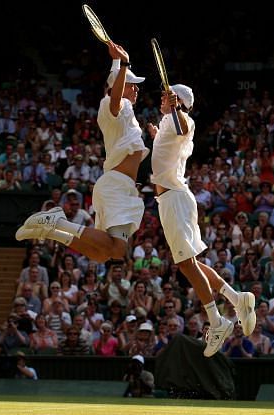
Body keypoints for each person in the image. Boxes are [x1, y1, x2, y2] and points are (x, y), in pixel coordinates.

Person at [145, 84, 255, 357]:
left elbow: (182, 125)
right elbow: (171, 140)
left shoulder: (182, 120)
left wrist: (176, 109)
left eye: (167, 96)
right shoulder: (168, 124)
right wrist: (157, 135)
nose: (162, 98)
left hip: (175, 200)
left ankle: (217, 321)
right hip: (173, 199)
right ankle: (236, 298)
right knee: (189, 263)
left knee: (185, 264)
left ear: (178, 102)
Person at [16, 42, 149, 263]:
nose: (135, 88)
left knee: (102, 254)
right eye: (131, 84)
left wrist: (116, 61)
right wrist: (124, 64)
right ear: (117, 86)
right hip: (116, 186)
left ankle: (51, 231)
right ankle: (57, 222)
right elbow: (114, 93)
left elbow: (114, 82)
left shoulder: (127, 113)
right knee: (116, 251)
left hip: (123, 189)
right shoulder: (112, 104)